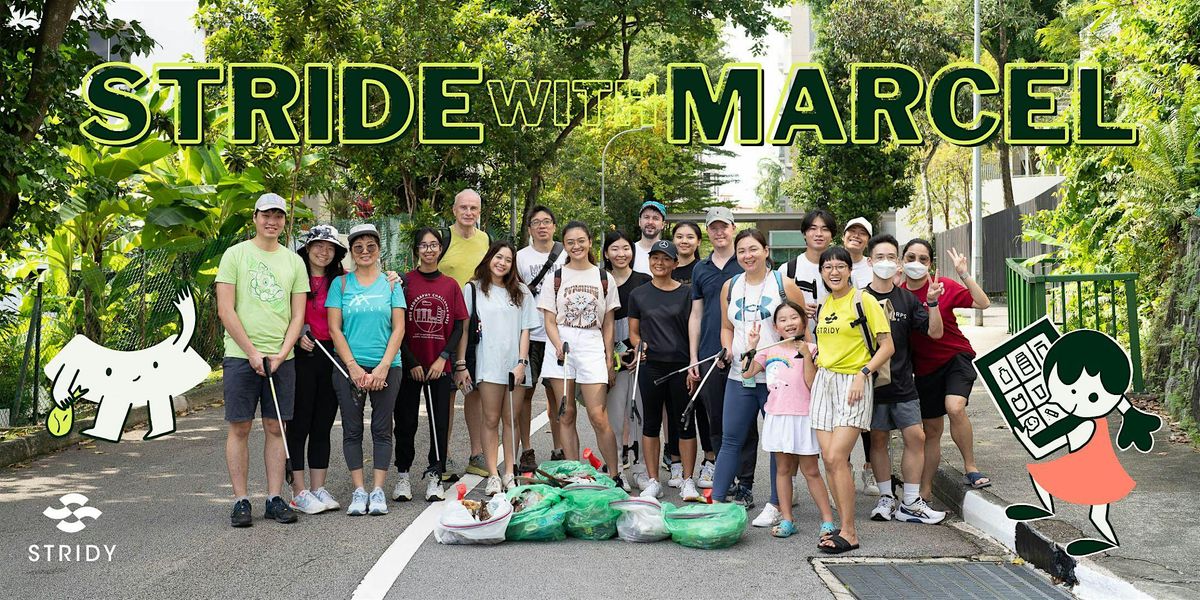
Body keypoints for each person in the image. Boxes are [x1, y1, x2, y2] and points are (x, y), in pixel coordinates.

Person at [216, 193, 309, 527]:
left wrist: (282, 353)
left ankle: (274, 498)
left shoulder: (294, 262)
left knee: (276, 426)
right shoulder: (235, 255)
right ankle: (241, 500)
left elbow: (298, 315)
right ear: (255, 217)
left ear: (285, 221)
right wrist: (252, 352)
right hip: (240, 356)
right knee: (240, 426)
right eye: (266, 215)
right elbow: (225, 309)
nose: (272, 221)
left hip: (283, 358)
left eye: (278, 216)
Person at [713, 229, 808, 528]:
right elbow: (727, 327)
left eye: (753, 249)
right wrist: (727, 349)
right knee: (731, 439)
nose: (747, 255)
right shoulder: (730, 286)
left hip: (778, 377)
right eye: (741, 250)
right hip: (740, 375)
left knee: (778, 444)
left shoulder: (784, 284)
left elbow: (802, 325)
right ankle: (716, 502)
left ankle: (776, 504)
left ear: (766, 251)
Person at [810, 246, 894, 554]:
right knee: (830, 460)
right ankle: (841, 527)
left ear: (849, 270)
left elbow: (887, 346)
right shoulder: (824, 304)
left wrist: (863, 373)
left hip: (853, 382)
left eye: (840, 266)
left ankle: (850, 532)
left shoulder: (864, 300)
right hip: (824, 382)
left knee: (836, 457)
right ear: (821, 272)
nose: (834, 272)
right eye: (828, 267)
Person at [861, 234, 947, 525]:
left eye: (890, 257)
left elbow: (935, 333)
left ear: (897, 262)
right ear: (870, 261)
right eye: (879, 257)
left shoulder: (907, 299)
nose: (885, 262)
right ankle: (886, 497)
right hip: (871, 384)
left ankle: (910, 502)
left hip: (903, 382)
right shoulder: (859, 299)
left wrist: (932, 303)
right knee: (878, 439)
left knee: (916, 437)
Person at [901, 239, 992, 498]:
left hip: (955, 357)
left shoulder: (943, 286)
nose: (916, 263)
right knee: (931, 431)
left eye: (923, 259)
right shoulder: (898, 294)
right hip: (924, 370)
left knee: (955, 407)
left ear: (930, 264)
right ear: (901, 261)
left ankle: (970, 467)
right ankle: (926, 489)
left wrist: (964, 274)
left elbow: (983, 303)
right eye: (910, 257)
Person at [326, 224, 406, 516]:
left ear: (379, 250)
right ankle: (359, 490)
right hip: (349, 368)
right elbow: (335, 329)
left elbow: (399, 328)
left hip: (388, 367)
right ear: (351, 252)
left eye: (371, 246)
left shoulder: (392, 284)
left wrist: (383, 366)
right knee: (352, 429)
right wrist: (353, 367)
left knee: (382, 428)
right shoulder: (340, 285)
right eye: (358, 247)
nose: (364, 252)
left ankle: (378, 490)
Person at [741, 301, 833, 539]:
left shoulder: (813, 349)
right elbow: (746, 372)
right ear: (776, 327)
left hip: (803, 417)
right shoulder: (769, 350)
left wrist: (806, 356)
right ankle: (787, 519)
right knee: (782, 470)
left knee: (811, 470)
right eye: (782, 320)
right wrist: (751, 347)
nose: (789, 323)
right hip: (777, 416)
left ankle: (828, 520)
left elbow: (812, 384)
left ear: (803, 321)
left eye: (794, 317)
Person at [455, 241, 540, 495]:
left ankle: (509, 472)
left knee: (511, 419)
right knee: (490, 419)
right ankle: (493, 474)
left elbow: (526, 330)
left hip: (516, 366)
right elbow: (464, 329)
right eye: (498, 257)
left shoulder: (521, 291)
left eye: (508, 260)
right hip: (488, 363)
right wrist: (461, 363)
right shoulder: (474, 288)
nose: (502, 263)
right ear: (489, 258)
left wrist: (522, 363)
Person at [538, 221, 622, 479]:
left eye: (581, 241)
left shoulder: (604, 277)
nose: (576, 246)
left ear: (590, 242)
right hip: (562, 343)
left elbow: (608, 323)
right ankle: (574, 474)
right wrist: (557, 345)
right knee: (566, 413)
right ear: (565, 245)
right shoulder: (556, 277)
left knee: (598, 415)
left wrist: (609, 359)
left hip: (592, 343)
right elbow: (549, 319)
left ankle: (615, 474)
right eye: (570, 242)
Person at [394, 228, 468, 502]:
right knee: (405, 422)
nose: (429, 250)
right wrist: (411, 361)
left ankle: (436, 473)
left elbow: (459, 326)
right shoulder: (404, 283)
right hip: (409, 365)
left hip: (440, 365)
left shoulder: (450, 285)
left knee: (439, 422)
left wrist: (443, 357)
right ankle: (403, 474)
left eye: (434, 244)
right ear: (416, 250)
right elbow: (395, 325)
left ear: (440, 249)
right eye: (424, 245)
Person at [628, 240, 701, 501]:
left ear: (675, 263)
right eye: (655, 257)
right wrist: (639, 345)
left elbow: (694, 328)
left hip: (681, 367)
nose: (659, 263)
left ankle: (688, 481)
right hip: (651, 367)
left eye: (665, 258)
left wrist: (693, 364)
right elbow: (634, 333)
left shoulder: (687, 293)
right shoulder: (638, 294)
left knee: (684, 422)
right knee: (651, 423)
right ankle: (653, 481)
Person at [687, 207, 748, 493]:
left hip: (744, 352)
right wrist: (693, 357)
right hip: (710, 353)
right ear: (708, 232)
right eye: (714, 227)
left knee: (744, 420)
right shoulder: (701, 268)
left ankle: (745, 481)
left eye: (724, 226)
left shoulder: (746, 261)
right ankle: (725, 477)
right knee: (715, 419)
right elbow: (696, 314)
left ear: (733, 228)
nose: (719, 232)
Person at [287, 225, 346, 515]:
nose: (324, 252)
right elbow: (282, 313)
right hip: (301, 356)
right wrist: (297, 336)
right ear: (307, 248)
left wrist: (392, 277)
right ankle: (298, 491)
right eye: (318, 245)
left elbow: (370, 283)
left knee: (323, 424)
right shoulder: (293, 276)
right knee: (299, 424)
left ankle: (318, 487)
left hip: (332, 355)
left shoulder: (342, 280)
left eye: (330, 247)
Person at [439, 188, 491, 479]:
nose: (469, 213)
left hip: (476, 326)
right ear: (454, 210)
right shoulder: (442, 238)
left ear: (479, 212)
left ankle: (477, 454)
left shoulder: (486, 240)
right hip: (446, 327)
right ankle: (442, 457)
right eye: (464, 207)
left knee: (475, 391)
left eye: (474, 208)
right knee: (445, 394)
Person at [514, 205, 567, 468]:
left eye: (547, 221)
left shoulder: (566, 254)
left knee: (557, 397)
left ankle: (559, 449)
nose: (542, 226)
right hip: (530, 335)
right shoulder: (520, 257)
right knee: (525, 395)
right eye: (536, 222)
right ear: (529, 229)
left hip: (557, 335)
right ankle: (527, 450)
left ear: (555, 226)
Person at [664, 219, 714, 483]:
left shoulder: (704, 269)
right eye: (679, 236)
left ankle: (710, 460)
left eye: (690, 237)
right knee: (676, 410)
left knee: (704, 407)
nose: (684, 241)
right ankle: (675, 461)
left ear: (698, 241)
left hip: (700, 346)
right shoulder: (666, 268)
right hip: (672, 349)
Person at [603, 230, 651, 489]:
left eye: (625, 248)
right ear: (606, 253)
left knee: (639, 416)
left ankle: (640, 469)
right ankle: (616, 470)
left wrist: (642, 350)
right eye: (615, 249)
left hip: (641, 359)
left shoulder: (644, 280)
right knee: (613, 416)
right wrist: (612, 354)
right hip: (612, 358)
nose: (621, 254)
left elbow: (651, 319)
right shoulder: (601, 280)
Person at [779, 209, 836, 332]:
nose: (819, 234)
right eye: (813, 228)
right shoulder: (787, 270)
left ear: (832, 235)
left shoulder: (842, 270)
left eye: (825, 229)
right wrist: (797, 308)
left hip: (836, 339)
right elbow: (777, 308)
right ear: (804, 234)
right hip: (799, 339)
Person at [631, 200, 666, 275]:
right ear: (639, 221)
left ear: (663, 224)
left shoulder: (669, 253)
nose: (650, 222)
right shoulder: (629, 251)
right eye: (646, 217)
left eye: (655, 218)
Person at [842, 217, 874, 289]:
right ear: (843, 237)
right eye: (852, 231)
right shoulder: (830, 264)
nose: (856, 236)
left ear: (868, 242)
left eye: (862, 233)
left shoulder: (873, 266)